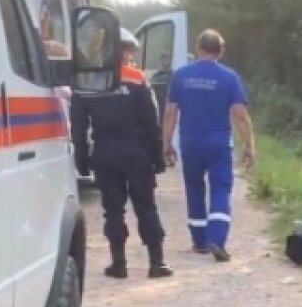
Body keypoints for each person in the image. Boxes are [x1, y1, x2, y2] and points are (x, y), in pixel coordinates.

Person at [70, 28, 172, 279]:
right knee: (146, 207)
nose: (130, 55)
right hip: (137, 153)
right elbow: (151, 122)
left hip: (105, 154)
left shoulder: (88, 80)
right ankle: (157, 263)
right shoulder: (137, 78)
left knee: (113, 210)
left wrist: (81, 159)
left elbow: (79, 125)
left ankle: (119, 264)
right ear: (123, 50)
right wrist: (158, 156)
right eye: (129, 50)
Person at [162, 29, 256, 263]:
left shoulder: (181, 76)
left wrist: (166, 144)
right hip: (219, 144)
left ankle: (200, 241)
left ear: (198, 48)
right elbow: (240, 114)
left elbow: (170, 113)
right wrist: (249, 145)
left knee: (194, 188)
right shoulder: (229, 77)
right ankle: (217, 238)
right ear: (221, 51)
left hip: (190, 143)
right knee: (221, 189)